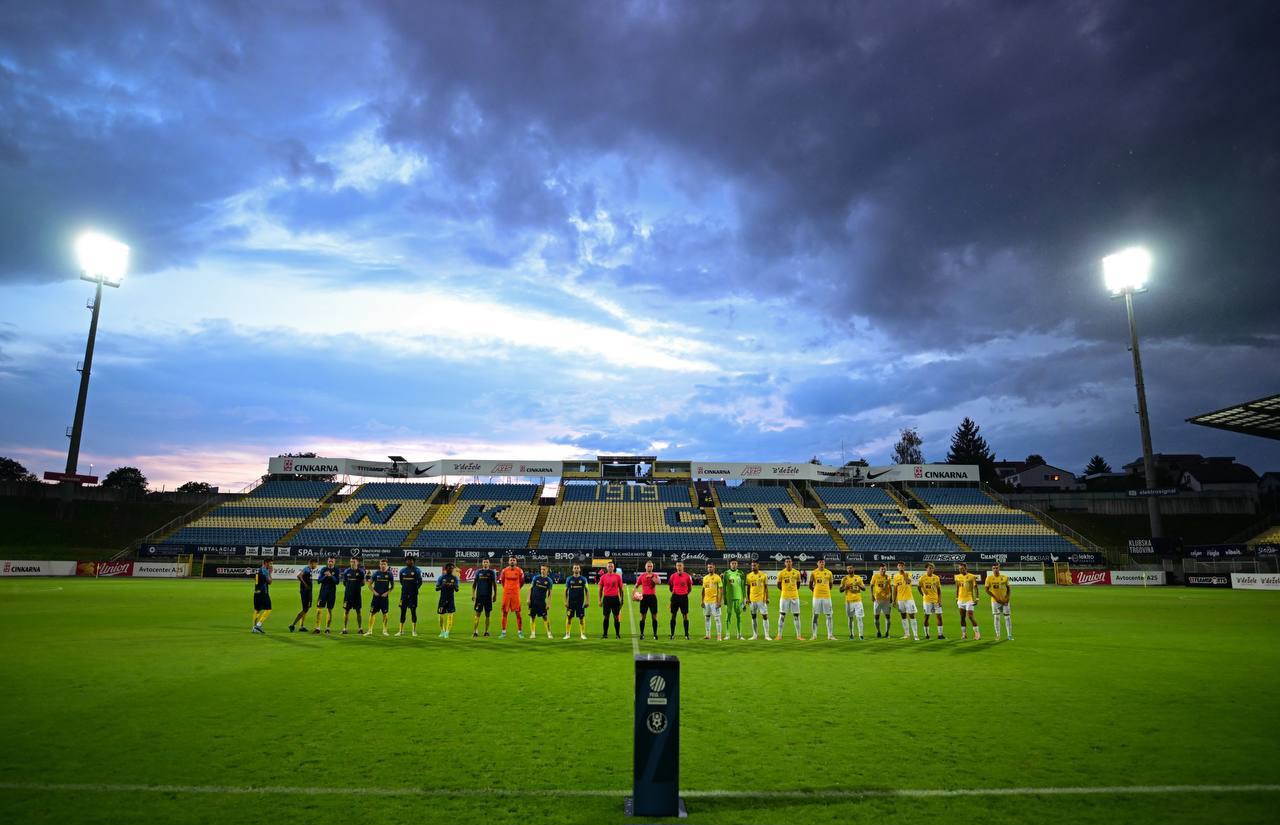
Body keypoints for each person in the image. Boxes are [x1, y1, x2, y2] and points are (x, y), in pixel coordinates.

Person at [774, 557, 804, 640]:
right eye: (787, 562)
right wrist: (785, 590)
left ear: (792, 562)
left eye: (789, 561)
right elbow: (778, 585)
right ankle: (779, 635)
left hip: (795, 596)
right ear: (785, 563)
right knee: (782, 615)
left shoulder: (797, 573)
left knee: (796, 616)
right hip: (784, 597)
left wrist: (792, 591)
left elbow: (798, 585)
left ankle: (798, 635)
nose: (788, 563)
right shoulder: (781, 573)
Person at [498, 556, 526, 639]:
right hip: (506, 594)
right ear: (508, 562)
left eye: (514, 560)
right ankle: (503, 632)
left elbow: (522, 582)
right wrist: (507, 589)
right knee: (504, 613)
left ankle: (520, 632)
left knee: (518, 613)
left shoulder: (519, 571)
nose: (512, 561)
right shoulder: (504, 571)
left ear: (516, 562)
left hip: (515, 594)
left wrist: (516, 589)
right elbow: (502, 582)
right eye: (511, 560)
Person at [985, 562, 1014, 641]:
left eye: (996, 568)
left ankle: (1009, 635)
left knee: (1007, 617)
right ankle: (998, 635)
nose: (995, 569)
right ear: (992, 569)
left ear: (999, 568)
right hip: (995, 601)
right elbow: (986, 590)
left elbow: (1008, 588)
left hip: (1004, 600)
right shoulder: (989, 578)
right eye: (994, 568)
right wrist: (995, 597)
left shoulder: (1004, 577)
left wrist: (1007, 598)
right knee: (996, 617)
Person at [366, 559, 395, 637]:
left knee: (385, 614)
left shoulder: (389, 574)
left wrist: (386, 593)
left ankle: (385, 630)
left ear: (387, 565)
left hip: (384, 598)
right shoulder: (376, 573)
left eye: (384, 564)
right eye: (381, 564)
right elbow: (369, 584)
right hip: (376, 598)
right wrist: (374, 592)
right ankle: (370, 630)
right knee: (372, 613)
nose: (383, 566)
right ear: (379, 565)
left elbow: (392, 587)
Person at [808, 559, 835, 641]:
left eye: (823, 562)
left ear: (824, 563)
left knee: (829, 615)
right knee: (815, 615)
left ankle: (830, 635)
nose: (822, 563)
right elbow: (810, 584)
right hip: (817, 597)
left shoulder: (829, 573)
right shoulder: (813, 573)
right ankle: (814, 635)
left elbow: (830, 585)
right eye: (820, 562)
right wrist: (815, 591)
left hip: (827, 596)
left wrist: (825, 591)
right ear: (817, 563)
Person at [312, 557, 340, 634]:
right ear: (327, 561)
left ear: (334, 562)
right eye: (329, 561)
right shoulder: (323, 569)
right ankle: (317, 628)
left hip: (331, 593)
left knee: (329, 610)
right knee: (319, 610)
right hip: (323, 592)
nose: (330, 562)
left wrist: (330, 575)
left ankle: (328, 628)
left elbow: (337, 582)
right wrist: (325, 576)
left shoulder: (336, 570)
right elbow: (319, 581)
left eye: (332, 561)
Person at [892, 562, 919, 641]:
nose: (901, 567)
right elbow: (895, 589)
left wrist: (904, 574)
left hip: (909, 599)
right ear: (897, 566)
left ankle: (915, 635)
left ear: (904, 567)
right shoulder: (896, 576)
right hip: (900, 600)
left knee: (912, 616)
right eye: (899, 565)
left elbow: (908, 582)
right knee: (903, 616)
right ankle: (907, 634)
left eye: (902, 566)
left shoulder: (908, 574)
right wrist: (894, 600)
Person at [396, 557, 423, 637]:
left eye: (410, 560)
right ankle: (401, 631)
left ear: (413, 561)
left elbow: (420, 582)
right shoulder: (402, 571)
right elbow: (401, 581)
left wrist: (415, 589)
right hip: (404, 595)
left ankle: (414, 631)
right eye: (407, 560)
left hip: (413, 595)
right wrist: (406, 588)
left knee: (413, 612)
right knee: (402, 612)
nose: (409, 561)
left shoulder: (417, 570)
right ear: (406, 561)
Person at [634, 561, 660, 641]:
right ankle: (642, 634)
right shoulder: (642, 576)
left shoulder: (655, 575)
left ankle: (655, 634)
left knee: (654, 617)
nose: (649, 568)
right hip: (644, 597)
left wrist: (651, 577)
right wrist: (634, 595)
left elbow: (658, 582)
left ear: (652, 567)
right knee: (642, 617)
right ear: (645, 567)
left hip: (652, 597)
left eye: (651, 566)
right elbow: (636, 586)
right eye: (648, 566)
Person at [288, 558, 317, 632]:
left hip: (308, 592)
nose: (316, 565)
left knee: (306, 609)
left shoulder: (309, 570)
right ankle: (293, 625)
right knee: (305, 609)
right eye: (315, 564)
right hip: (305, 592)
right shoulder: (307, 569)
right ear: (312, 563)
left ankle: (301, 626)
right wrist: (305, 584)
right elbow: (299, 576)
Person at [471, 558, 497, 637]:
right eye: (484, 562)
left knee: (487, 614)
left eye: (487, 562)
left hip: (488, 597)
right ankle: (475, 631)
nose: (485, 563)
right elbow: (474, 584)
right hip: (479, 597)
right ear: (482, 563)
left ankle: (486, 631)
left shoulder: (491, 572)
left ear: (489, 564)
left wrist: (495, 594)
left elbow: (494, 584)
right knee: (477, 614)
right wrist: (473, 594)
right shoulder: (478, 572)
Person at [746, 560, 772, 641]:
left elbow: (766, 587)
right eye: (752, 566)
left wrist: (767, 597)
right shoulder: (749, 576)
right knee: (753, 617)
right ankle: (754, 635)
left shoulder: (763, 575)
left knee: (765, 616)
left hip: (761, 600)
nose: (753, 567)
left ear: (758, 565)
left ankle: (767, 635)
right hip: (752, 600)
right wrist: (747, 598)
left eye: (754, 565)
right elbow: (748, 588)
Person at [722, 559, 747, 641]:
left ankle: (739, 635)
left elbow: (743, 587)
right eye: (732, 563)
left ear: (737, 564)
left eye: (735, 563)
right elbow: (724, 587)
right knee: (728, 616)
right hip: (729, 598)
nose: (734, 565)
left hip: (739, 598)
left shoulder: (741, 573)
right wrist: (724, 598)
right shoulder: (726, 573)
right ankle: (727, 635)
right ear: (730, 564)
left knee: (739, 616)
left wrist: (744, 599)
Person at [918, 563, 945, 640]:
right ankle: (927, 634)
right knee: (927, 617)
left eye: (932, 568)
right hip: (927, 601)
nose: (931, 569)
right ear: (926, 569)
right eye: (930, 568)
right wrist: (923, 595)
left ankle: (940, 634)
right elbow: (919, 587)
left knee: (939, 617)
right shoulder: (922, 578)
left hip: (936, 600)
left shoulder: (936, 578)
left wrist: (939, 600)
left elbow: (939, 590)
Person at [839, 564, 866, 640]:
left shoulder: (858, 578)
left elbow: (864, 588)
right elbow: (840, 590)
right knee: (850, 618)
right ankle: (851, 634)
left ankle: (861, 635)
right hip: (848, 601)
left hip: (858, 601)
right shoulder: (844, 579)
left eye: (850, 568)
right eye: (848, 568)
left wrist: (859, 585)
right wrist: (845, 587)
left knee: (859, 618)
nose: (849, 569)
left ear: (853, 569)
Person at [340, 557, 366, 635]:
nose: (352, 563)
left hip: (357, 595)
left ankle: (360, 628)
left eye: (354, 562)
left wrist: (356, 587)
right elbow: (344, 583)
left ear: (357, 562)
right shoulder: (346, 571)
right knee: (346, 611)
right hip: (348, 595)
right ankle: (344, 628)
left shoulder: (361, 572)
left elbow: (363, 583)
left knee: (358, 611)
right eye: (351, 561)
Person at [563, 564, 589, 640]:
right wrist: (565, 601)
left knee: (581, 618)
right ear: (573, 570)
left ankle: (582, 634)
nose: (576, 569)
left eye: (577, 568)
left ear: (579, 569)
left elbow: (587, 591)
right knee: (569, 618)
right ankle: (567, 634)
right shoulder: (569, 579)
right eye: (575, 568)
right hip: (570, 603)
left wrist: (587, 601)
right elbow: (565, 591)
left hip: (580, 603)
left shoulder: (583, 579)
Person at [598, 561, 624, 639]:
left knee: (616, 617)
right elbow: (600, 589)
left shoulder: (618, 577)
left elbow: (621, 589)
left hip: (615, 599)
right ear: (607, 567)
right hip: (606, 599)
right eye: (609, 566)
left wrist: (622, 600)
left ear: (614, 567)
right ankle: (605, 634)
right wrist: (599, 600)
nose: (610, 567)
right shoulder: (603, 577)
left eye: (611, 566)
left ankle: (617, 634)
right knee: (606, 617)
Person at [955, 562, 981, 640]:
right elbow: (957, 587)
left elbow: (976, 587)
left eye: (962, 568)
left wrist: (977, 598)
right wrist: (956, 598)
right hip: (960, 600)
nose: (960, 570)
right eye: (959, 569)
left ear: (965, 568)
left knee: (970, 616)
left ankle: (977, 634)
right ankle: (964, 634)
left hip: (969, 599)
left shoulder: (971, 576)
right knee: (962, 617)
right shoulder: (957, 577)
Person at [668, 561, 693, 640]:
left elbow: (690, 588)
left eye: (680, 565)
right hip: (675, 597)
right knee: (673, 615)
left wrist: (684, 593)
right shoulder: (672, 576)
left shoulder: (687, 576)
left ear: (683, 567)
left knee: (685, 615)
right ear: (676, 567)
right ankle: (672, 634)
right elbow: (670, 587)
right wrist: (675, 592)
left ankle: (686, 634)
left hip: (684, 597)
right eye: (677, 565)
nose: (679, 567)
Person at [528, 565, 554, 639]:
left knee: (545, 617)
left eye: (544, 569)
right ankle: (533, 633)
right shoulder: (536, 578)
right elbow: (530, 588)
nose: (542, 571)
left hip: (542, 602)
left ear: (547, 570)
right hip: (533, 601)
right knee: (532, 617)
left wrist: (548, 603)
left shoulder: (549, 580)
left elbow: (549, 593)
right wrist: (528, 599)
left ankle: (549, 633)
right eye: (541, 569)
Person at [436, 563, 460, 638]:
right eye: (449, 568)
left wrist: (452, 585)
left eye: (452, 568)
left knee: (450, 615)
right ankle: (442, 631)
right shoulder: (441, 577)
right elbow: (436, 588)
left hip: (450, 599)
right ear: (446, 569)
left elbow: (457, 589)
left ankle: (447, 632)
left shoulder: (455, 578)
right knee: (441, 616)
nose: (451, 569)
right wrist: (443, 585)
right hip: (442, 599)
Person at [701, 562, 724, 640]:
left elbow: (721, 590)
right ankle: (708, 635)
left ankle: (719, 636)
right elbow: (703, 590)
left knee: (717, 619)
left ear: (714, 567)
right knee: (707, 618)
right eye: (708, 567)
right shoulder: (705, 578)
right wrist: (702, 601)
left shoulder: (717, 578)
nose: (709, 568)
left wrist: (719, 602)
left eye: (711, 567)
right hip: (706, 601)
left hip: (714, 601)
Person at [870, 563, 893, 639]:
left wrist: (891, 597)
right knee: (876, 617)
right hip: (877, 600)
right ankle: (878, 631)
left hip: (886, 600)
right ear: (879, 569)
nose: (883, 570)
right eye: (882, 569)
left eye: (884, 569)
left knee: (888, 616)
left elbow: (890, 588)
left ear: (886, 569)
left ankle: (887, 632)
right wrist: (872, 595)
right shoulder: (875, 576)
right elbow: (871, 585)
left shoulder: (888, 577)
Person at [251, 558, 273, 634]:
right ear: (266, 563)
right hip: (263, 593)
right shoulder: (265, 571)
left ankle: (254, 628)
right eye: (270, 563)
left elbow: (255, 579)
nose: (271, 565)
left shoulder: (259, 570)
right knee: (269, 609)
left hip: (256, 592)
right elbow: (270, 582)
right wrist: (270, 573)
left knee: (257, 610)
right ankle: (259, 625)